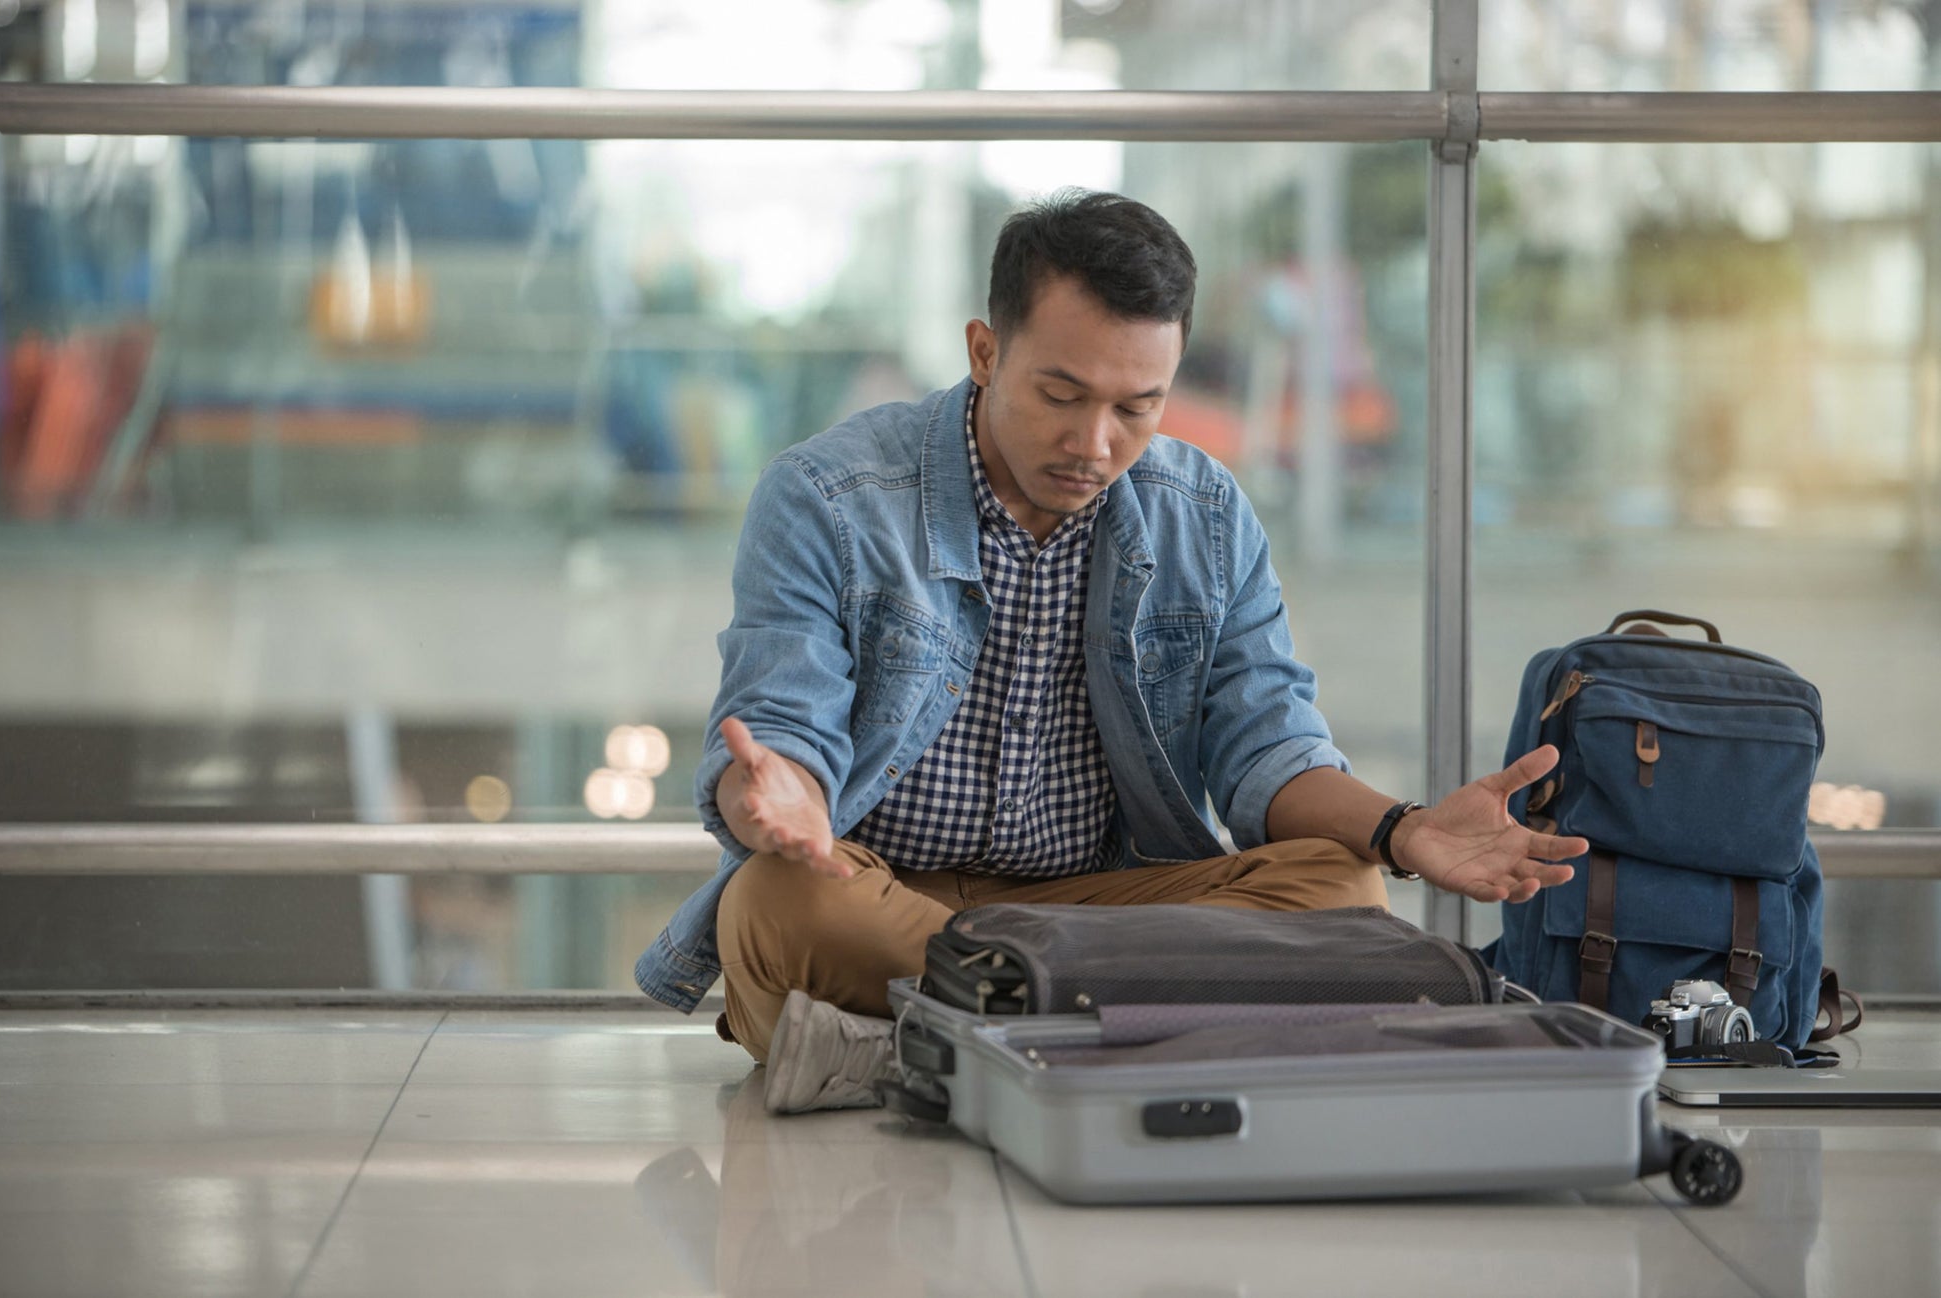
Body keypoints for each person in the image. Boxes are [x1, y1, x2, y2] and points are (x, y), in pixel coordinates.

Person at [634, 190, 1584, 1111]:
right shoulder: (828, 497)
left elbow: (1266, 747)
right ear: (984, 350)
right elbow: (779, 728)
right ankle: (1111, 1039)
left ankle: (916, 1050)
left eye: (1138, 408)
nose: (1094, 443)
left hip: (1096, 912)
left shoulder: (1203, 514)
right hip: (880, 894)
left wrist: (1403, 830)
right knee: (773, 905)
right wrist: (782, 799)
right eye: (1062, 393)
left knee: (1340, 889)